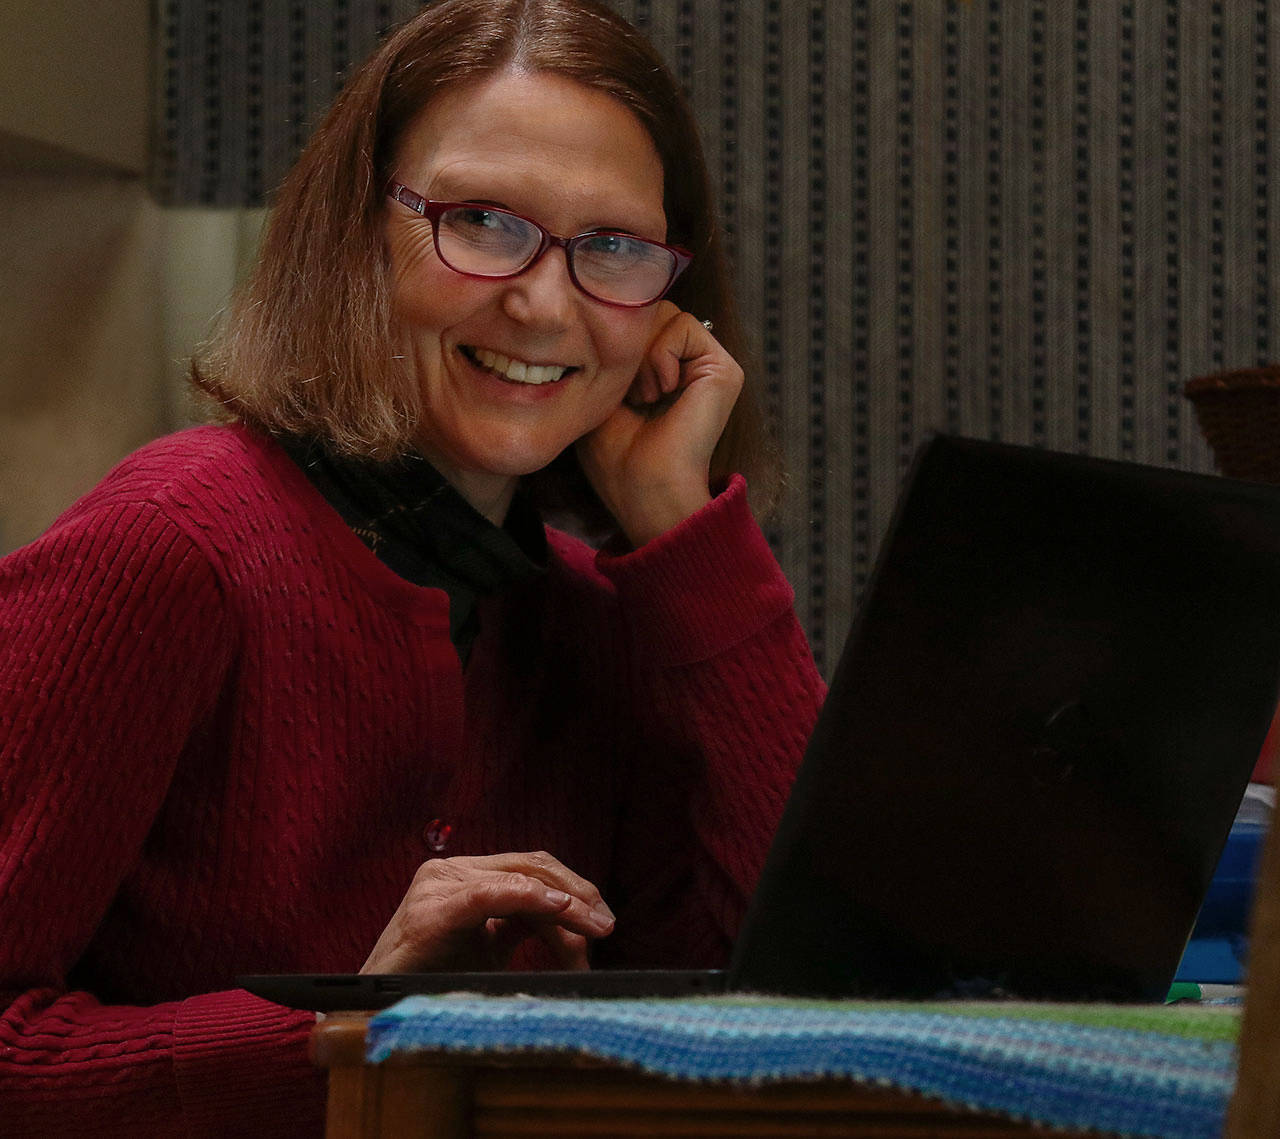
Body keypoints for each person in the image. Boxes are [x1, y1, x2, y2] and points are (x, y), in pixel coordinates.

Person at [0, 0, 825, 1134]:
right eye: (482, 219)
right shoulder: (170, 545)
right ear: (355, 233)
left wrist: (685, 532)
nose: (543, 301)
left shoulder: (601, 620)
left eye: (614, 247)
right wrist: (358, 1033)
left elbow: (818, 1005)